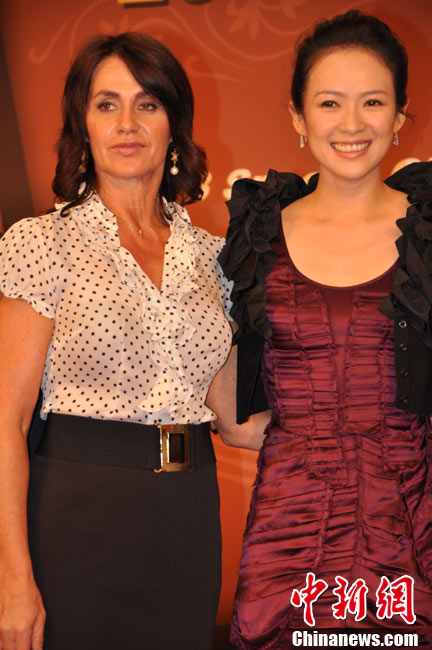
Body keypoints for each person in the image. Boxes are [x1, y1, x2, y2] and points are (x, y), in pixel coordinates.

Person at [0, 32, 233, 650]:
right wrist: (12, 579)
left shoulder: (215, 259)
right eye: (107, 104)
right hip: (76, 517)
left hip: (189, 518)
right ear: (83, 124)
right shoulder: (41, 243)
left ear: (174, 123)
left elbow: (236, 418)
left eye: (147, 104)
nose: (127, 123)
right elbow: (4, 422)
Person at [216, 10, 432, 649]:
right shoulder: (257, 236)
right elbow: (232, 400)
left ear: (399, 116)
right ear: (298, 117)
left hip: (409, 523)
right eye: (329, 102)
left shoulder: (427, 234)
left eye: (373, 102)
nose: (351, 124)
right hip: (289, 526)